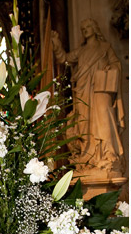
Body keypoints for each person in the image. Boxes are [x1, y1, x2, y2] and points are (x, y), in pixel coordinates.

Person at [51, 19, 125, 177]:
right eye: (82, 28)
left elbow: (116, 64)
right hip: (83, 92)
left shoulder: (105, 47)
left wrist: (108, 69)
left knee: (104, 119)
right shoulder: (81, 51)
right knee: (84, 124)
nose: (85, 30)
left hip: (100, 89)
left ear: (95, 28)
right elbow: (63, 58)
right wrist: (56, 43)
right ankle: (88, 159)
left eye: (88, 27)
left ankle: (107, 155)